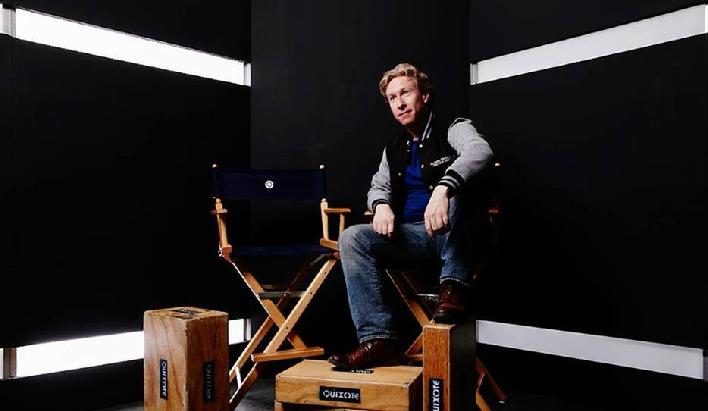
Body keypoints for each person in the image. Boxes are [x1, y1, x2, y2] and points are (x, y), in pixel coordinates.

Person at [328, 63, 494, 370]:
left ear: (425, 96)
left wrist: (444, 189)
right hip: (414, 237)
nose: (400, 102)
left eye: (406, 92)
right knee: (352, 237)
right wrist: (381, 205)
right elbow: (378, 185)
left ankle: (454, 286)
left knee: (461, 191)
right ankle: (378, 339)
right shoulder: (394, 148)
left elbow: (480, 152)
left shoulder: (453, 128)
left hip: (454, 234)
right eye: (392, 98)